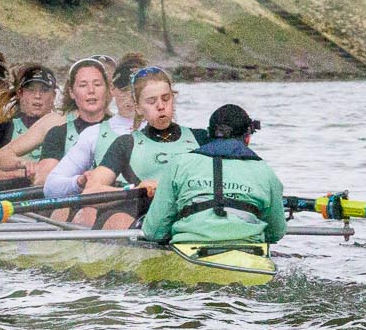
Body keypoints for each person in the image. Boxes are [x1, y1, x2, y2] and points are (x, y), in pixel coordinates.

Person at [139, 104, 286, 249]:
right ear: (247, 138)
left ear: (208, 134)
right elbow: (276, 233)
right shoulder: (266, 172)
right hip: (249, 256)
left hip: (188, 252)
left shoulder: (179, 164)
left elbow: (154, 231)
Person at [79, 67, 204, 229]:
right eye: (151, 101)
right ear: (138, 107)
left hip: (191, 214)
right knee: (116, 218)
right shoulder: (126, 144)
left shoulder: (200, 138)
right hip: (144, 218)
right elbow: (90, 192)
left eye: (166, 99)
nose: (160, 106)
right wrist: (133, 190)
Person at [0, 57, 112, 190]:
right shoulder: (56, 124)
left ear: (108, 89)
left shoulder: (123, 127)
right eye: (83, 85)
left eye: (97, 84)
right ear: (71, 92)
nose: (91, 90)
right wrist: (25, 165)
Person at [42, 53, 146, 200]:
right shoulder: (93, 134)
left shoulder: (169, 132)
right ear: (112, 90)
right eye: (124, 89)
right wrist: (80, 181)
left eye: (138, 90)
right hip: (111, 208)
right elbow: (51, 187)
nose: (131, 96)